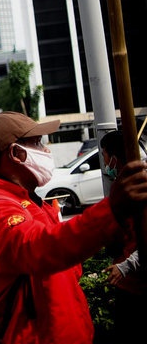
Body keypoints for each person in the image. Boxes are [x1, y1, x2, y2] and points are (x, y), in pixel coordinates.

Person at [0, 112, 147, 344]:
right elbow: (41, 248)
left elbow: (68, 264)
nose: (45, 150)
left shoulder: (34, 203)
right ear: (16, 153)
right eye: (36, 142)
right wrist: (111, 208)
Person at [98, 129, 147, 343]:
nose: (104, 160)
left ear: (114, 157)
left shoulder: (141, 188)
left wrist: (125, 266)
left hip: (137, 284)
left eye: (104, 154)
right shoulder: (125, 186)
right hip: (128, 283)